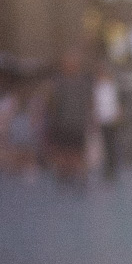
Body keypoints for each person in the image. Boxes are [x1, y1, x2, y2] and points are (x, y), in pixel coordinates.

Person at [43, 49, 94, 184]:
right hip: (62, 123)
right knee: (63, 151)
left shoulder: (84, 82)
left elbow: (89, 103)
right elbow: (52, 103)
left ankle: (80, 177)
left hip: (78, 123)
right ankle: (64, 176)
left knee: (78, 152)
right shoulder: (58, 82)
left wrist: (90, 120)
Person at [93, 66, 122, 178]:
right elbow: (95, 104)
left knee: (112, 144)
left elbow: (116, 103)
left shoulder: (112, 87)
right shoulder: (97, 88)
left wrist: (117, 114)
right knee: (104, 145)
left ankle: (112, 168)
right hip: (102, 119)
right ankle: (106, 168)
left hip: (111, 119)